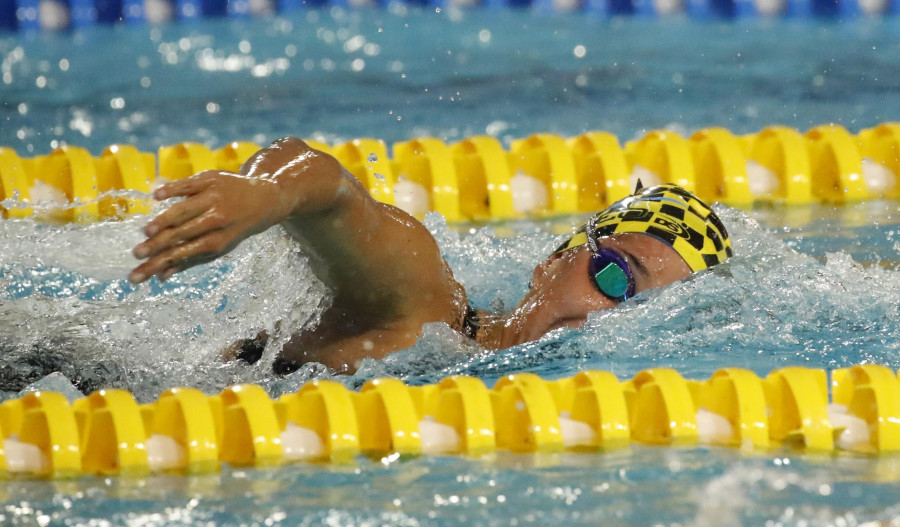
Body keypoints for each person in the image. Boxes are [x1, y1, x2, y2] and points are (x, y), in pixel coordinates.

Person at [129, 137, 732, 374]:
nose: (613, 316)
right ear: (553, 260)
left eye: (654, 311)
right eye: (615, 276)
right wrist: (266, 195)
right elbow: (322, 179)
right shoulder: (427, 308)